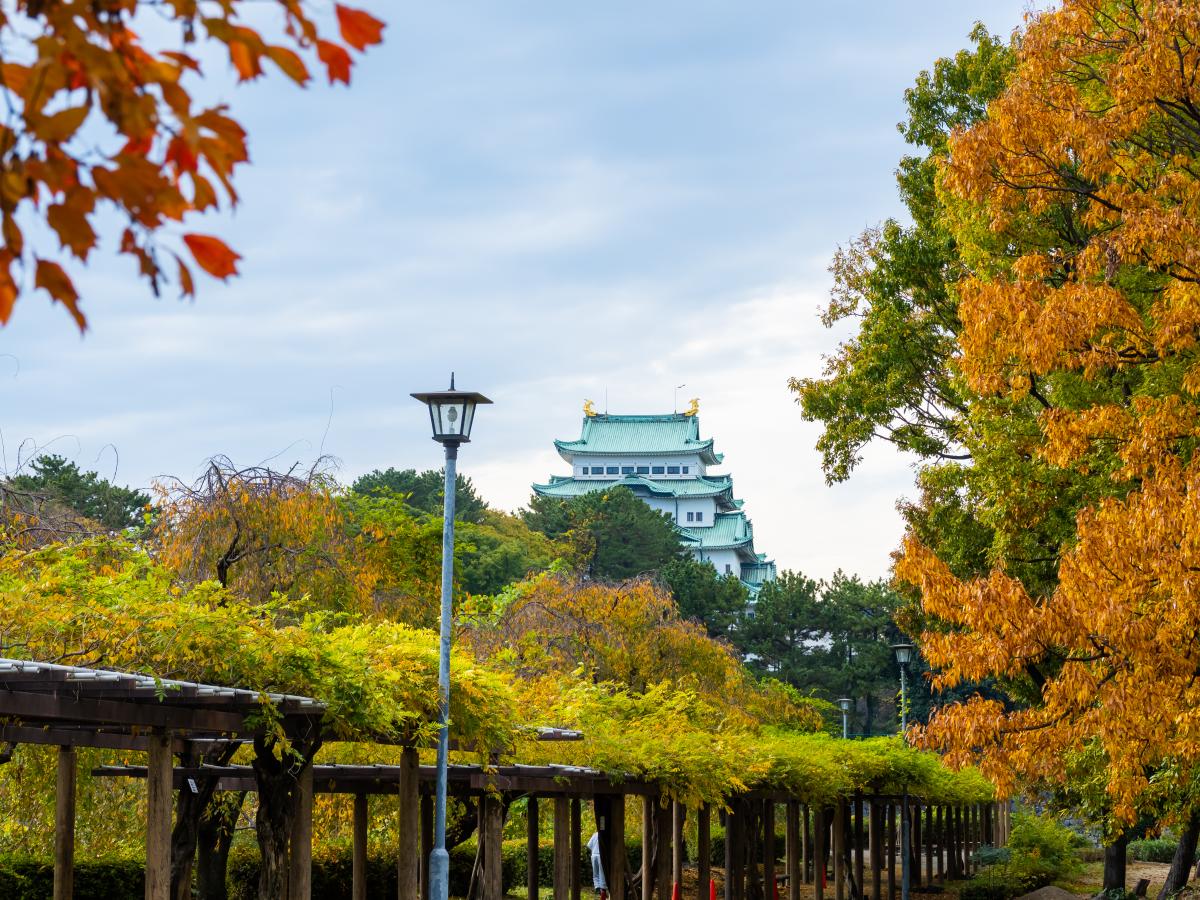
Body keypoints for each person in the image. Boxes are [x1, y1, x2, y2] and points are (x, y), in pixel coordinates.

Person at [587, 830, 608, 898]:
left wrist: (594, 850)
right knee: (602, 873)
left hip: (594, 855)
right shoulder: (605, 834)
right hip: (601, 855)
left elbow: (589, 845)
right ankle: (603, 890)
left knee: (595, 873)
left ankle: (597, 887)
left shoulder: (595, 834)